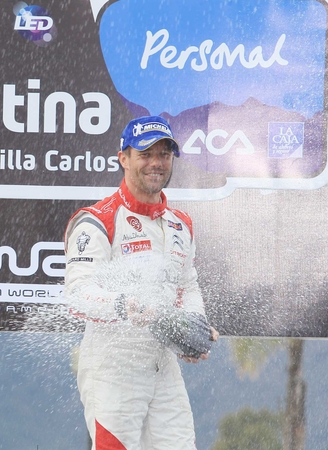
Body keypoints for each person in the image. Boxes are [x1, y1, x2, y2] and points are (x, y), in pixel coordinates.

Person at [64, 115, 218, 450]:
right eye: (145, 154)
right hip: (113, 368)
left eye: (164, 154)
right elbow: (77, 294)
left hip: (163, 367)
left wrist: (193, 326)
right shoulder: (97, 220)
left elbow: (187, 287)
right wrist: (125, 305)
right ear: (124, 157)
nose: (156, 163)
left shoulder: (181, 224)